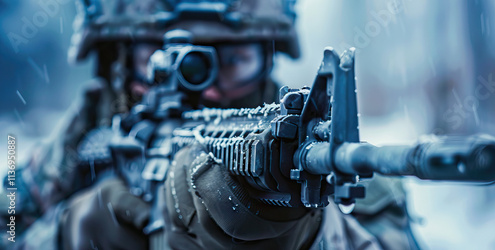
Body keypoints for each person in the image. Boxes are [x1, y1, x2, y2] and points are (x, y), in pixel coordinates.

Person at [7, 0, 419, 249]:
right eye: (158, 57)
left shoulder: (311, 157)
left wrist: (300, 233)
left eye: (234, 60)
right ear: (116, 62)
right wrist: (66, 236)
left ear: (266, 60)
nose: (205, 89)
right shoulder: (76, 144)